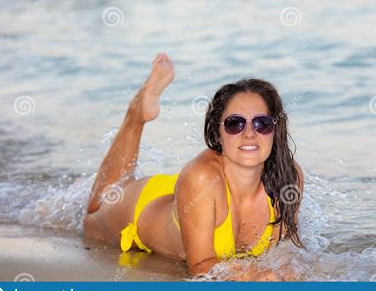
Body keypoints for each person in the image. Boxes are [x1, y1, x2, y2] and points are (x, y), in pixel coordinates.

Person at [84, 53, 304, 276]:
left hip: (194, 198)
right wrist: (252, 275)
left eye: (262, 124)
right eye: (235, 123)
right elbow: (200, 266)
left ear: (275, 130)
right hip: (143, 206)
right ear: (218, 134)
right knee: (94, 212)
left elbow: (283, 253)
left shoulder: (288, 177)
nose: (249, 133)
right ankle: (135, 114)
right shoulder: (200, 176)